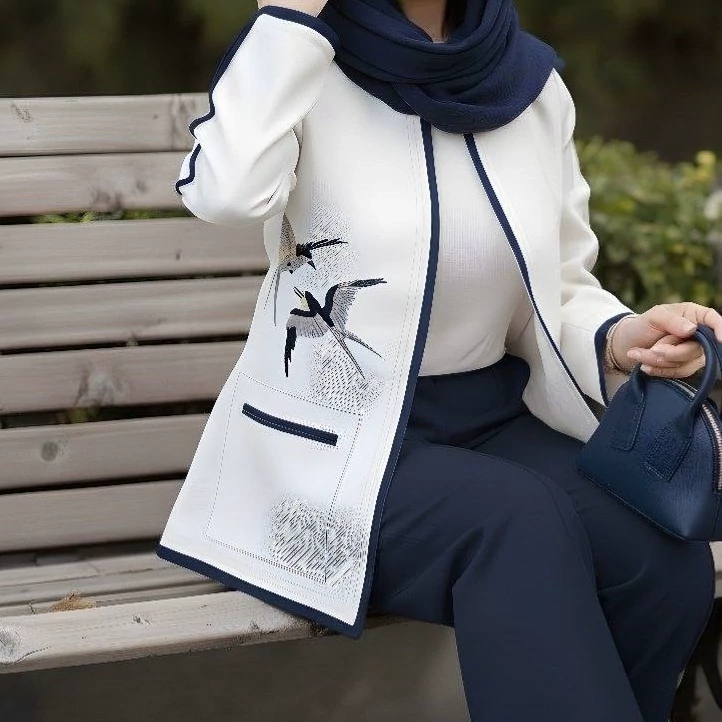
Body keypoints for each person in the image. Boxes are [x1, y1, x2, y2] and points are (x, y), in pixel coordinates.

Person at [156, 0, 722, 719]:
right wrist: (289, 19)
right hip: (328, 450)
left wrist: (621, 338)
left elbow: (558, 286)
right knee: (517, 523)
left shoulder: (528, 85)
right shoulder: (303, 66)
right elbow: (224, 193)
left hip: (491, 421)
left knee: (658, 556)